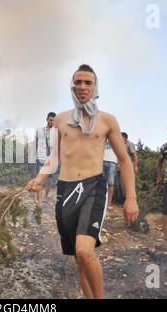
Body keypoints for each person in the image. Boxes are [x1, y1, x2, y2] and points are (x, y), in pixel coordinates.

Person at [28, 64, 139, 299]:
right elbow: (54, 158)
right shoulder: (60, 120)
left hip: (93, 189)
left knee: (84, 251)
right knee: (79, 259)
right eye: (78, 82)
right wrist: (39, 179)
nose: (82, 86)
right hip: (66, 190)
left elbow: (125, 161)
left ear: (95, 87)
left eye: (88, 82)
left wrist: (131, 197)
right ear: (72, 86)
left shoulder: (107, 121)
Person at [35, 112, 56, 207]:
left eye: (54, 120)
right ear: (47, 119)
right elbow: (35, 143)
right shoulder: (39, 130)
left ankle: (45, 198)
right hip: (40, 158)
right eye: (50, 120)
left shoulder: (56, 133)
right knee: (39, 181)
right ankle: (39, 202)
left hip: (51, 160)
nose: (52, 122)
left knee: (49, 182)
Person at [103, 140, 117, 210]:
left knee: (110, 183)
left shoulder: (116, 137)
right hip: (101, 160)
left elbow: (120, 152)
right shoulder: (102, 136)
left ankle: (109, 203)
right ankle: (101, 202)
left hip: (112, 162)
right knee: (100, 183)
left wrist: (119, 163)